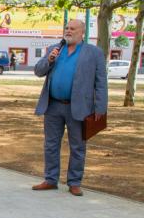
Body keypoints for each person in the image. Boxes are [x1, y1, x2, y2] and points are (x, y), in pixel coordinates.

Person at [32, 19, 107, 196]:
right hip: (53, 106)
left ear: (82, 33)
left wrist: (100, 108)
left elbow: (101, 83)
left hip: (79, 108)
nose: (68, 31)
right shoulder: (54, 49)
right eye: (66, 28)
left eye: (72, 28)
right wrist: (49, 60)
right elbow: (38, 71)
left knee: (78, 147)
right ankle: (50, 179)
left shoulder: (94, 53)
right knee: (50, 145)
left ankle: (74, 182)